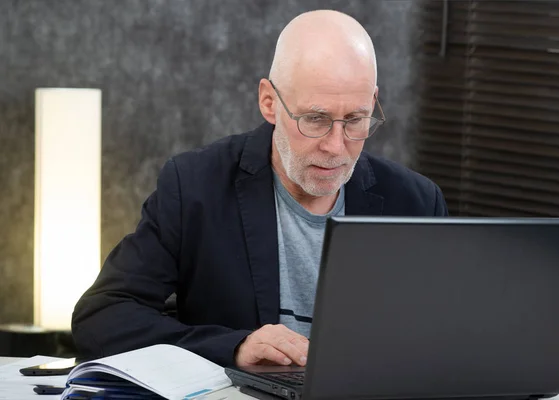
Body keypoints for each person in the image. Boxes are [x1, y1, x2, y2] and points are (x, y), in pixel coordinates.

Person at [71, 9, 448, 368]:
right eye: (315, 120)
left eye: (355, 119)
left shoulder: (416, 202)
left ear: (373, 103)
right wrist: (233, 347)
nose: (336, 146)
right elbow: (101, 319)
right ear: (269, 102)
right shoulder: (195, 186)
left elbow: (444, 340)